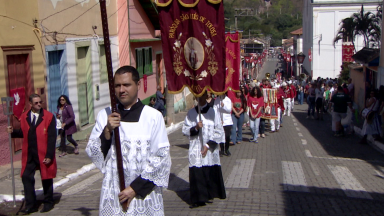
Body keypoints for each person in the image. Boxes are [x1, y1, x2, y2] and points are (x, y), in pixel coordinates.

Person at [85, 66, 171, 215]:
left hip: (143, 194)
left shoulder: (153, 116)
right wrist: (107, 131)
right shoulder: (104, 115)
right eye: (117, 86)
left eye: (126, 85)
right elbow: (95, 154)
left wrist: (134, 189)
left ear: (137, 85)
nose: (121, 90)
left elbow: (161, 157)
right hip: (115, 194)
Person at [7, 94, 57, 213]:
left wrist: (49, 155)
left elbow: (52, 138)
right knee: (26, 177)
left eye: (40, 102)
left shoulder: (49, 117)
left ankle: (48, 202)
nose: (39, 104)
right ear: (30, 104)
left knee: (46, 177)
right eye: (36, 103)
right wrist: (12, 132)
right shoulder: (24, 117)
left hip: (43, 152)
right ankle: (30, 205)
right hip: (29, 153)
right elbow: (24, 133)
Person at [182, 91, 226, 208]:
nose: (200, 99)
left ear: (206, 96)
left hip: (209, 148)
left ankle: (209, 194)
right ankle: (199, 198)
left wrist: (207, 145)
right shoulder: (191, 113)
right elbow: (185, 130)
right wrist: (195, 127)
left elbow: (219, 132)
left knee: (208, 171)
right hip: (196, 148)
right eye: (198, 96)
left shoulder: (213, 112)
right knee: (197, 172)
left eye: (202, 96)